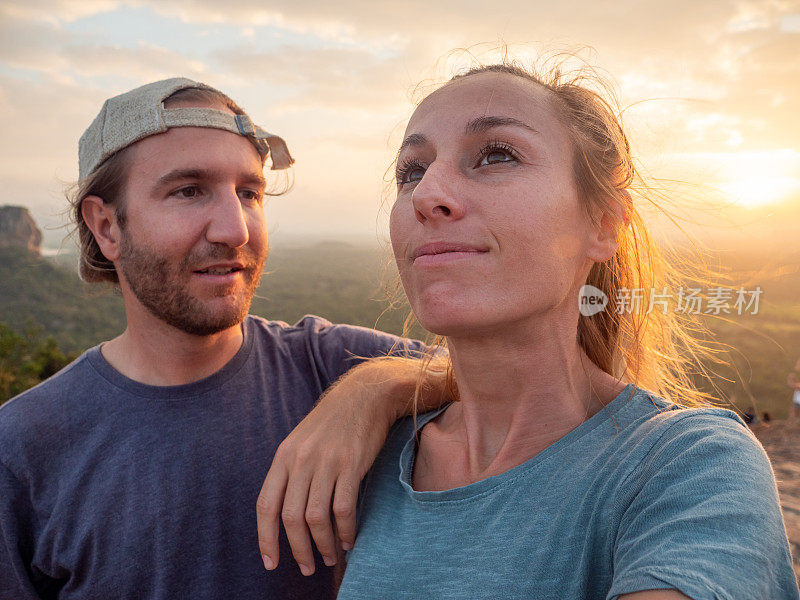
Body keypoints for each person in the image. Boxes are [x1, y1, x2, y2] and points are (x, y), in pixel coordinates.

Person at [258, 62, 800, 599]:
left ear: (604, 224)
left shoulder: (685, 467)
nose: (427, 194)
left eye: (497, 155)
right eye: (411, 171)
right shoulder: (368, 463)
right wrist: (366, 393)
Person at [0, 78, 448, 599]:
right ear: (106, 226)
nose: (235, 229)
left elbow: (505, 374)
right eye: (189, 191)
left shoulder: (332, 365)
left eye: (250, 193)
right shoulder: (24, 450)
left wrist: (372, 392)